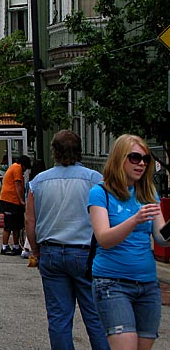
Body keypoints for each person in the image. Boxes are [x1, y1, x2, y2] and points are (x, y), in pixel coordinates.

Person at [25, 130, 108, 350]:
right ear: (79, 150)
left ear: (54, 151)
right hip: (86, 252)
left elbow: (30, 220)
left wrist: (35, 250)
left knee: (59, 317)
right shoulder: (94, 180)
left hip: (51, 252)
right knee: (95, 316)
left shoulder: (38, 182)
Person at [88, 134, 168, 350]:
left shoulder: (149, 192)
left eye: (146, 159)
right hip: (112, 283)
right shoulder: (100, 193)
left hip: (148, 284)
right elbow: (104, 239)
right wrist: (135, 220)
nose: (141, 163)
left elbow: (161, 237)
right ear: (119, 158)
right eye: (134, 157)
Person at [0, 154, 32, 256]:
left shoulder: (14, 167)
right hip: (9, 200)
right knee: (8, 225)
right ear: (23, 165)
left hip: (13, 201)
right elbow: (18, 185)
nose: (25, 171)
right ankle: (4, 247)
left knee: (17, 225)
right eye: (26, 168)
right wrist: (22, 200)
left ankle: (16, 246)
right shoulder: (17, 168)